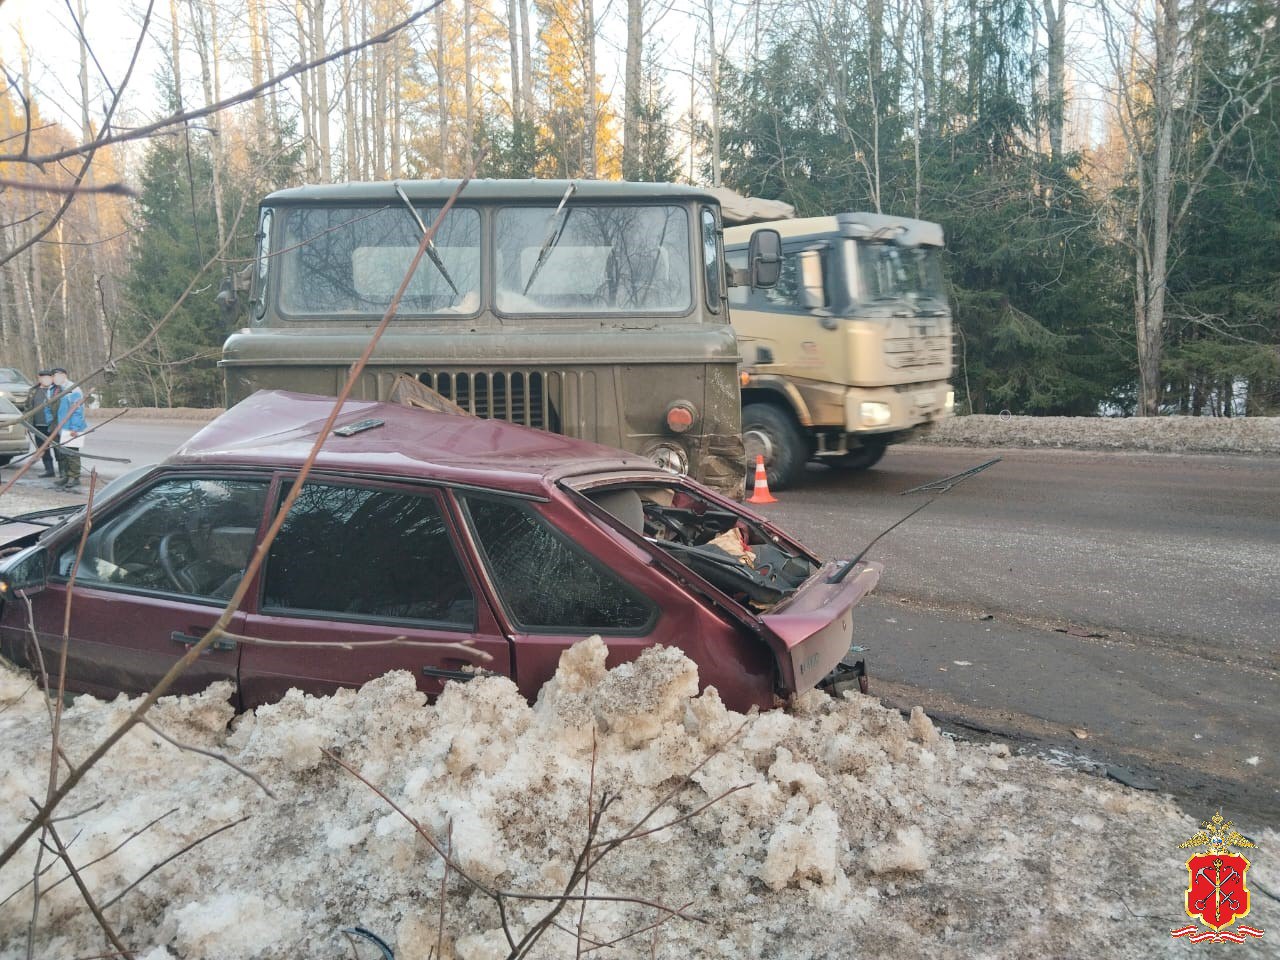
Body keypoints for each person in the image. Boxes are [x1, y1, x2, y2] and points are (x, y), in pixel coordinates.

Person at [50, 367, 88, 490]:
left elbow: (78, 410)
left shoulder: (73, 389)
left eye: (59, 375)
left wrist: (75, 428)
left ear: (65, 375)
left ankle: (74, 477)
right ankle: (66, 475)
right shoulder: (54, 389)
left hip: (71, 426)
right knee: (63, 453)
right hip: (58, 426)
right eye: (54, 376)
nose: (57, 378)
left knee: (72, 453)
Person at [30, 369, 59, 478]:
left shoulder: (56, 390)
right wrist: (28, 424)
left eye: (48, 377)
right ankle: (49, 470)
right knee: (43, 449)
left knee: (58, 449)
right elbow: (28, 408)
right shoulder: (33, 391)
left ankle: (63, 472)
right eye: (43, 377)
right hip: (38, 426)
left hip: (54, 426)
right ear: (39, 378)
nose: (45, 379)